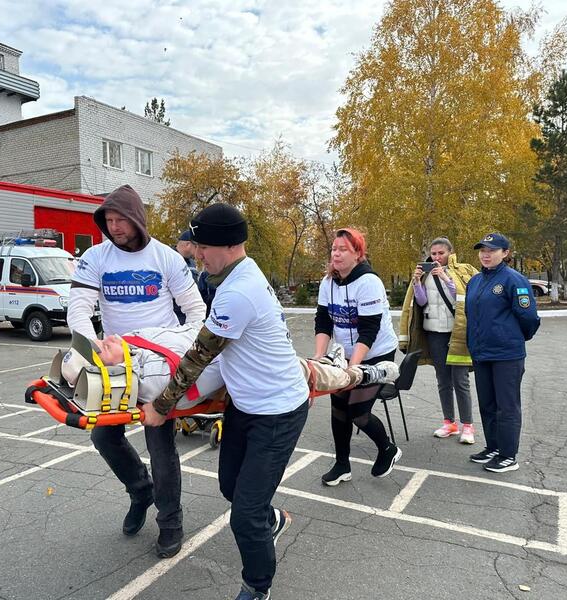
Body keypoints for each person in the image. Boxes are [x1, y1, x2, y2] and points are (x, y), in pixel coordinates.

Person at [142, 203, 309, 600]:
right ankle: (271, 518)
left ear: (228, 245)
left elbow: (198, 358)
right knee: (231, 487)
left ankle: (256, 587)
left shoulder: (239, 291)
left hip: (278, 411)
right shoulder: (232, 279)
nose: (196, 254)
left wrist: (161, 407)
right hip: (246, 407)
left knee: (244, 515)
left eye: (202, 246)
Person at [66, 184, 206, 558]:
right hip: (114, 363)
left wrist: (178, 347)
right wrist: (89, 343)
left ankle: (171, 522)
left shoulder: (166, 258)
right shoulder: (95, 257)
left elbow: (196, 312)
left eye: (120, 220)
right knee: (104, 438)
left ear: (137, 220)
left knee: (161, 446)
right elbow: (78, 307)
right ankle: (140, 490)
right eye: (108, 221)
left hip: (156, 366)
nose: (114, 227)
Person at [60, 322, 399, 405]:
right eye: (100, 350)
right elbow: (211, 368)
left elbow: (185, 331)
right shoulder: (154, 378)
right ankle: (366, 372)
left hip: (235, 345)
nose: (105, 339)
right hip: (244, 362)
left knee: (315, 368)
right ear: (109, 373)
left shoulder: (131, 344)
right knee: (314, 375)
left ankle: (339, 364)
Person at [314, 228, 401, 486]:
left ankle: (387, 448)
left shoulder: (368, 282)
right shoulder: (328, 283)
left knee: (357, 412)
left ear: (358, 254)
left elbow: (369, 330)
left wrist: (354, 370)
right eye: (334, 249)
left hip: (375, 352)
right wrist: (319, 357)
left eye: (344, 249)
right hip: (346, 352)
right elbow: (323, 323)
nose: (336, 254)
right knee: (338, 409)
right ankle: (342, 465)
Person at [465, 233, 540, 473]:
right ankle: (494, 447)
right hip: (481, 353)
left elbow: (529, 317)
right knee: (487, 403)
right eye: (482, 250)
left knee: (506, 406)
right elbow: (470, 314)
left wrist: (515, 338)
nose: (486, 254)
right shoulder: (475, 281)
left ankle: (508, 455)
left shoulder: (514, 280)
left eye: (492, 250)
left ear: (505, 253)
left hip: (507, 354)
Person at [399, 237, 479, 443]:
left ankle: (468, 426)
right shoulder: (424, 274)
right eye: (433, 254)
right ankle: (449, 423)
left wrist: (445, 278)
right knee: (443, 380)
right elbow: (421, 302)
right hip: (434, 332)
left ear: (450, 253)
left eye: (440, 253)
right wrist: (417, 282)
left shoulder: (461, 271)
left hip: (457, 333)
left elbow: (462, 299)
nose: (436, 257)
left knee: (460, 380)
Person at [173, 229, 199, 324]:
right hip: (174, 317)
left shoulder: (191, 262)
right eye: (196, 247)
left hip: (190, 313)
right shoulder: (169, 259)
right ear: (188, 245)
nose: (199, 251)